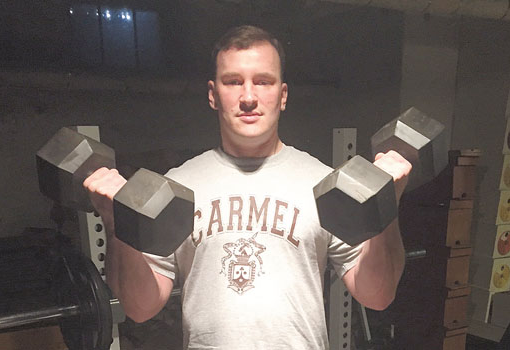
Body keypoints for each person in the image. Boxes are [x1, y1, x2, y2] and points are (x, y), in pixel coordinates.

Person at [83, 25, 410, 349]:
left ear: (282, 96)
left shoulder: (323, 184)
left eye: (263, 82)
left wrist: (386, 205)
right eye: (233, 82)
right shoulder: (176, 188)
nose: (249, 97)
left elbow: (377, 296)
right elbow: (140, 309)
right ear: (213, 94)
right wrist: (116, 222)